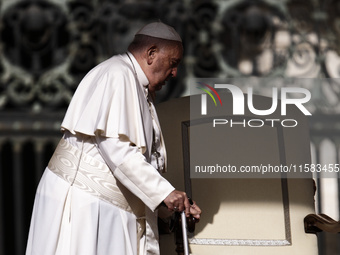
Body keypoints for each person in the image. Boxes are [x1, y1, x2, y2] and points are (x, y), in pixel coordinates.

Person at [26, 21, 201, 255]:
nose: (175, 72)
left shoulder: (137, 85)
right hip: (85, 205)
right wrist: (165, 193)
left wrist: (168, 206)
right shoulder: (117, 74)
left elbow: (142, 163)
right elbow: (117, 150)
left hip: (108, 207)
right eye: (173, 63)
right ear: (151, 54)